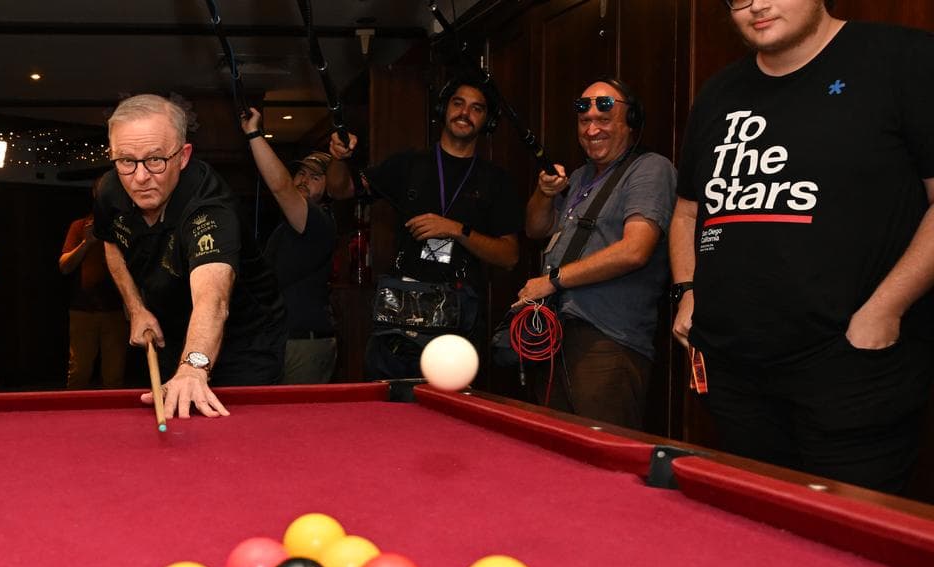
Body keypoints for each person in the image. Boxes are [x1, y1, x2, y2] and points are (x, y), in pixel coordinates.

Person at [669, 0, 934, 493]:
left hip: (852, 373)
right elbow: (687, 213)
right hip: (735, 379)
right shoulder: (717, 93)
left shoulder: (903, 59)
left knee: (851, 550)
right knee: (758, 539)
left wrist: (885, 309)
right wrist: (688, 289)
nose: (756, 5)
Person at [94, 94, 285, 418]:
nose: (140, 177)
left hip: (245, 342)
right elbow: (110, 242)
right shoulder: (111, 189)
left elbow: (213, 299)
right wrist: (136, 308)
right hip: (174, 332)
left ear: (183, 156)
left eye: (155, 159)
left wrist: (195, 364)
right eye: (126, 160)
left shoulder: (210, 206)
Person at [326, 75, 522, 380]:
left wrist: (456, 229)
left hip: (457, 320)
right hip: (399, 316)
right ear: (444, 109)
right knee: (386, 405)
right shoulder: (410, 163)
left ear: (488, 121)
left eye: (476, 108)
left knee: (450, 416)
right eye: (458, 103)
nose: (464, 113)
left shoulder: (496, 181)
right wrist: (337, 159)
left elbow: (509, 256)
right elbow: (341, 190)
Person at [515, 78, 676, 430]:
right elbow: (535, 229)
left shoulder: (650, 169)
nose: (592, 129)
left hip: (609, 341)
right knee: (554, 453)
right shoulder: (579, 175)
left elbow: (635, 250)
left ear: (630, 122)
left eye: (604, 120)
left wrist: (553, 281)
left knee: (602, 457)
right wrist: (544, 194)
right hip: (557, 338)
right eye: (584, 121)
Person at [241, 108, 337, 384]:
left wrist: (254, 134)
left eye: (315, 177)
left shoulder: (318, 220)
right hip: (284, 340)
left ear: (330, 190)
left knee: (299, 424)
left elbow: (282, 187)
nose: (304, 180)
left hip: (303, 344)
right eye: (302, 173)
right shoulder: (289, 225)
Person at [59, 179, 127, 389]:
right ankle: (73, 418)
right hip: (83, 309)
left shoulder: (124, 226)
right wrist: (87, 242)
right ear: (95, 193)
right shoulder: (80, 226)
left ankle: (114, 421)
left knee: (114, 375)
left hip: (116, 309)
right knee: (79, 371)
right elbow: (64, 266)